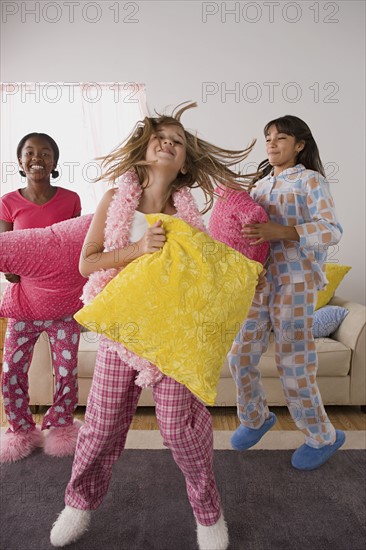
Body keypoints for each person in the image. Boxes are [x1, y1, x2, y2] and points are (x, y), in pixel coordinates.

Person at [50, 102, 257, 550]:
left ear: (184, 162)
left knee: (180, 430)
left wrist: (242, 284)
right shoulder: (114, 199)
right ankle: (78, 504)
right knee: (102, 427)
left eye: (178, 141)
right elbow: (88, 264)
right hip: (121, 332)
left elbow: (201, 282)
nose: (168, 142)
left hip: (171, 338)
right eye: (161, 136)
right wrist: (139, 247)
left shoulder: (188, 215)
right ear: (144, 149)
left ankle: (208, 514)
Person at [228, 115, 345, 470]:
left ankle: (323, 436)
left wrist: (284, 231)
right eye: (268, 138)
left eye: (281, 137)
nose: (272, 143)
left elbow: (331, 231)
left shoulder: (312, 182)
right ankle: (256, 418)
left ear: (300, 145)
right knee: (239, 355)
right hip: (260, 282)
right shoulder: (259, 187)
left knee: (293, 364)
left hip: (296, 282)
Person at [0, 132, 82, 463]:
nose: (37, 157)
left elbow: (76, 246)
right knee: (12, 370)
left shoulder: (71, 199)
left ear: (55, 162)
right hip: (24, 306)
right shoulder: (8, 201)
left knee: (67, 370)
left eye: (45, 153)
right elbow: (6, 258)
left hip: (64, 305)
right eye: (29, 152)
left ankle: (61, 425)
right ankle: (19, 428)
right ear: (20, 161)